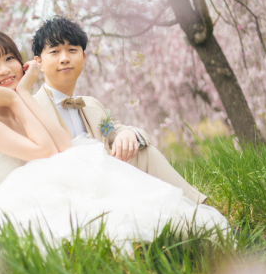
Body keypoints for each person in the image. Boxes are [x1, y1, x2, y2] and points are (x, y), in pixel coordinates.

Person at [0, 28, 228, 252]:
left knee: (133, 159)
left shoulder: (76, 104)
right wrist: (19, 97)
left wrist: (126, 133)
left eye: (9, 59)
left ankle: (195, 216)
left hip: (35, 185)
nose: (4, 70)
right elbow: (49, 151)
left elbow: (73, 143)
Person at [31, 15, 207, 204]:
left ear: (83, 57)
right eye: (55, 52)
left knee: (143, 151)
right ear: (39, 62)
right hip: (63, 192)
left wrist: (128, 133)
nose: (65, 59)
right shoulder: (30, 107)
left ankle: (198, 205)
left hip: (103, 184)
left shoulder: (91, 105)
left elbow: (114, 129)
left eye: (72, 50)